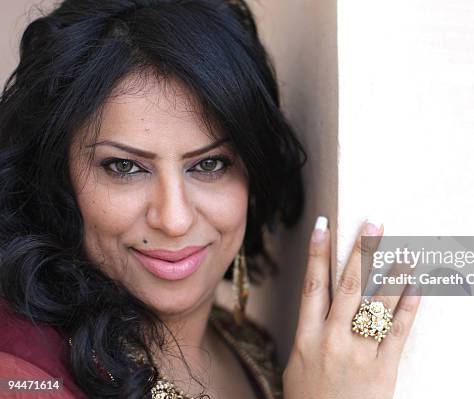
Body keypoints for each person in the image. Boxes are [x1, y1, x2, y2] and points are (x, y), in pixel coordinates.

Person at [0, 1, 421, 398]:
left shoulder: (250, 346)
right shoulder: (22, 374)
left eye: (210, 165)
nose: (175, 219)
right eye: (125, 167)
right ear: (57, 175)